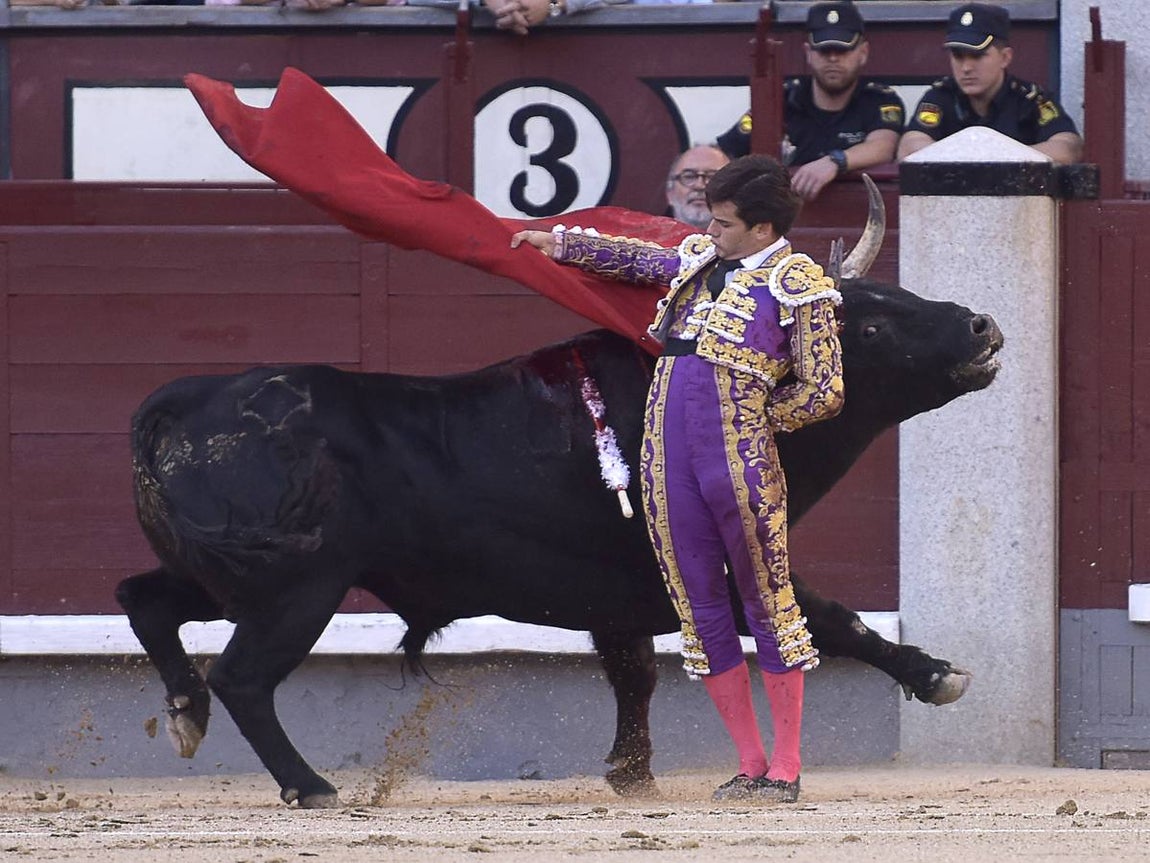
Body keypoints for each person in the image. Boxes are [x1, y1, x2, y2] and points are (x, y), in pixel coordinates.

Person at [510, 155, 842, 803]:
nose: (710, 231)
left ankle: (787, 764)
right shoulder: (697, 261)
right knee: (700, 607)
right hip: (667, 458)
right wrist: (563, 244)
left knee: (768, 602)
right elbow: (637, 260)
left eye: (723, 222)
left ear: (762, 225)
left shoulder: (799, 282)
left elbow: (825, 389)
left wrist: (762, 417)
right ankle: (749, 763)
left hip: (739, 460)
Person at [717, 1, 904, 201]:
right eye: (824, 50)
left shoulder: (880, 99)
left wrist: (835, 162)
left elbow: (883, 147)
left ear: (863, 53)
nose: (833, 59)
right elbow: (726, 151)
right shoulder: (782, 99)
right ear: (808, 53)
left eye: (842, 50)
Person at [897, 3, 1083, 165]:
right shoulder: (941, 96)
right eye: (958, 56)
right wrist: (974, 158)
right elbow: (909, 148)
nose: (966, 67)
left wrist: (994, 158)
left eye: (977, 56)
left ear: (1005, 57)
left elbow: (1067, 148)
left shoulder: (1029, 99)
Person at [665, 145, 730, 229]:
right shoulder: (647, 240)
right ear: (670, 193)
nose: (700, 185)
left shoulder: (748, 241)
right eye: (689, 177)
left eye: (712, 177)